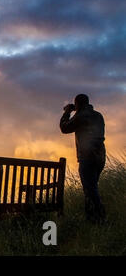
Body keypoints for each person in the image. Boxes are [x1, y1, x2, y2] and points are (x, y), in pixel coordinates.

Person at [60, 94, 106, 223]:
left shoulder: (81, 116)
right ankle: (91, 218)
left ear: (77, 104)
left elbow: (64, 128)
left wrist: (67, 112)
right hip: (100, 156)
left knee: (90, 189)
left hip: (87, 157)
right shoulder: (98, 115)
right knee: (91, 187)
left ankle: (101, 216)